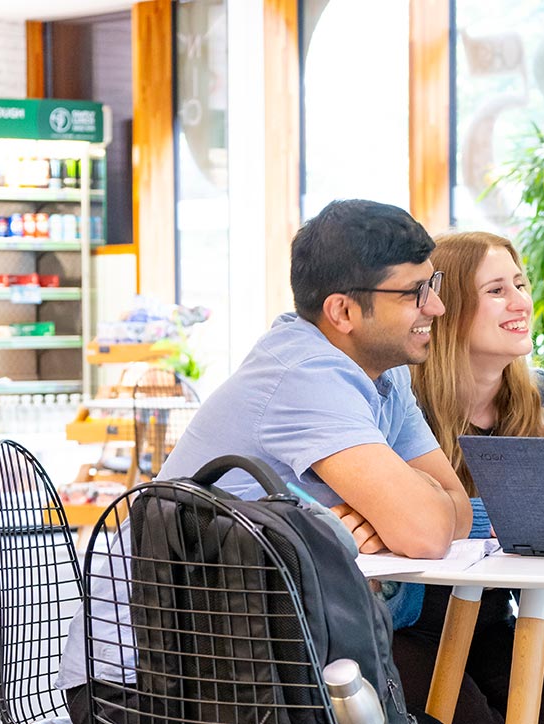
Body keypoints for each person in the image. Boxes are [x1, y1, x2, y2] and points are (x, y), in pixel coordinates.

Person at [55, 199, 471, 724]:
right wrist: (397, 512)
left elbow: (455, 509)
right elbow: (430, 530)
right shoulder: (307, 374)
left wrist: (393, 514)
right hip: (153, 681)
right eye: (415, 293)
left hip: (254, 657)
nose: (434, 307)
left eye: (431, 285)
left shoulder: (384, 373)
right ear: (342, 311)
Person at [401, 230, 544, 723]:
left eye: (520, 285)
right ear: (448, 307)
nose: (521, 301)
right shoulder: (399, 401)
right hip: (406, 624)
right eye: (497, 290)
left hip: (493, 621)